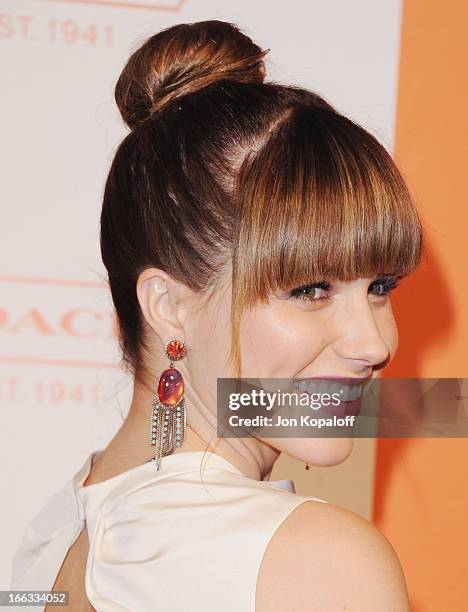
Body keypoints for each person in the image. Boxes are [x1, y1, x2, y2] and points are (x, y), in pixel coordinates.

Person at [10, 19, 422, 611]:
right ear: (168, 308)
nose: (375, 342)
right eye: (311, 290)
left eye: (380, 286)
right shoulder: (315, 562)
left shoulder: (56, 536)